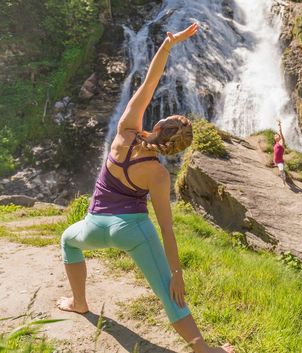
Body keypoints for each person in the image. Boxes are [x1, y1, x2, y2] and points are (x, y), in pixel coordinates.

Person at [57, 24, 233, 353]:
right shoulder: (159, 174)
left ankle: (79, 302)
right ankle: (204, 350)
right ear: (174, 150)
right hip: (134, 232)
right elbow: (166, 229)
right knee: (170, 295)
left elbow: (150, 83)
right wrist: (176, 274)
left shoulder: (125, 131)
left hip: (94, 225)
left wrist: (168, 44)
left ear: (157, 125)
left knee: (68, 240)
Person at [273, 121, 287, 186]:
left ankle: (283, 183)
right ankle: (283, 179)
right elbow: (275, 153)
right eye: (275, 136)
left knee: (281, 171)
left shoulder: (281, 143)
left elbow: (281, 134)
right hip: (276, 161)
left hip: (280, 161)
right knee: (280, 171)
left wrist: (279, 126)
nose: (276, 136)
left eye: (277, 135)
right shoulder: (275, 144)